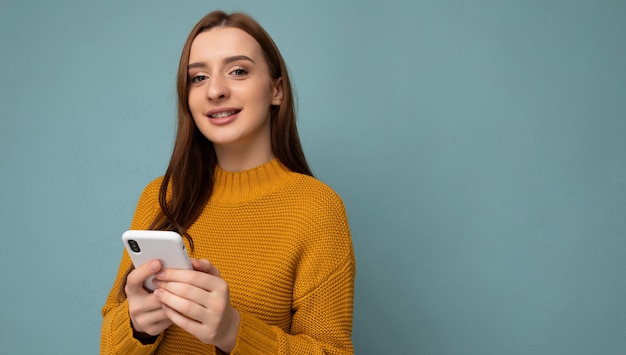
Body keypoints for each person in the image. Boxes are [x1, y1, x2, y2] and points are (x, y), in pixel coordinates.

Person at [100, 10, 355, 354]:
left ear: (276, 90)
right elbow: (108, 345)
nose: (215, 90)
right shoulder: (160, 197)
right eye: (198, 77)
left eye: (238, 71)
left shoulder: (316, 208)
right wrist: (137, 327)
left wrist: (233, 331)